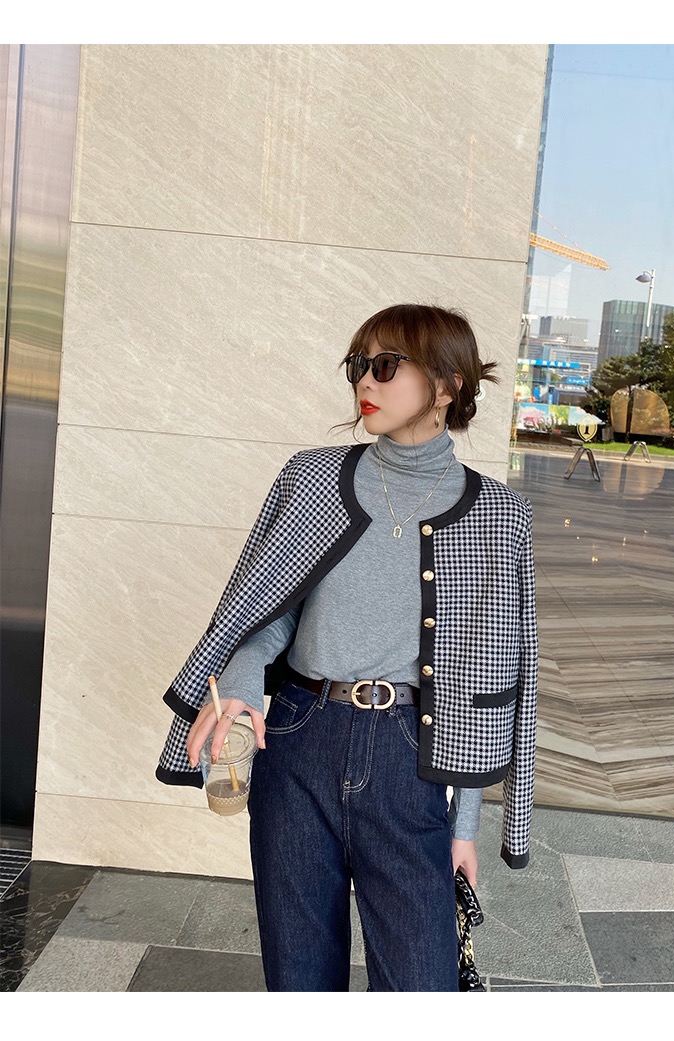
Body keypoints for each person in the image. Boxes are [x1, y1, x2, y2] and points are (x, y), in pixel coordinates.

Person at [156, 303, 539, 992]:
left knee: (419, 983)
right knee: (299, 974)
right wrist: (240, 686)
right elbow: (263, 611)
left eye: (385, 365)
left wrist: (465, 826)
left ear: (447, 385)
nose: (365, 380)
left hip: (410, 756)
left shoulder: (497, 513)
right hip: (298, 739)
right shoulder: (310, 479)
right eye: (358, 364)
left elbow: (487, 681)